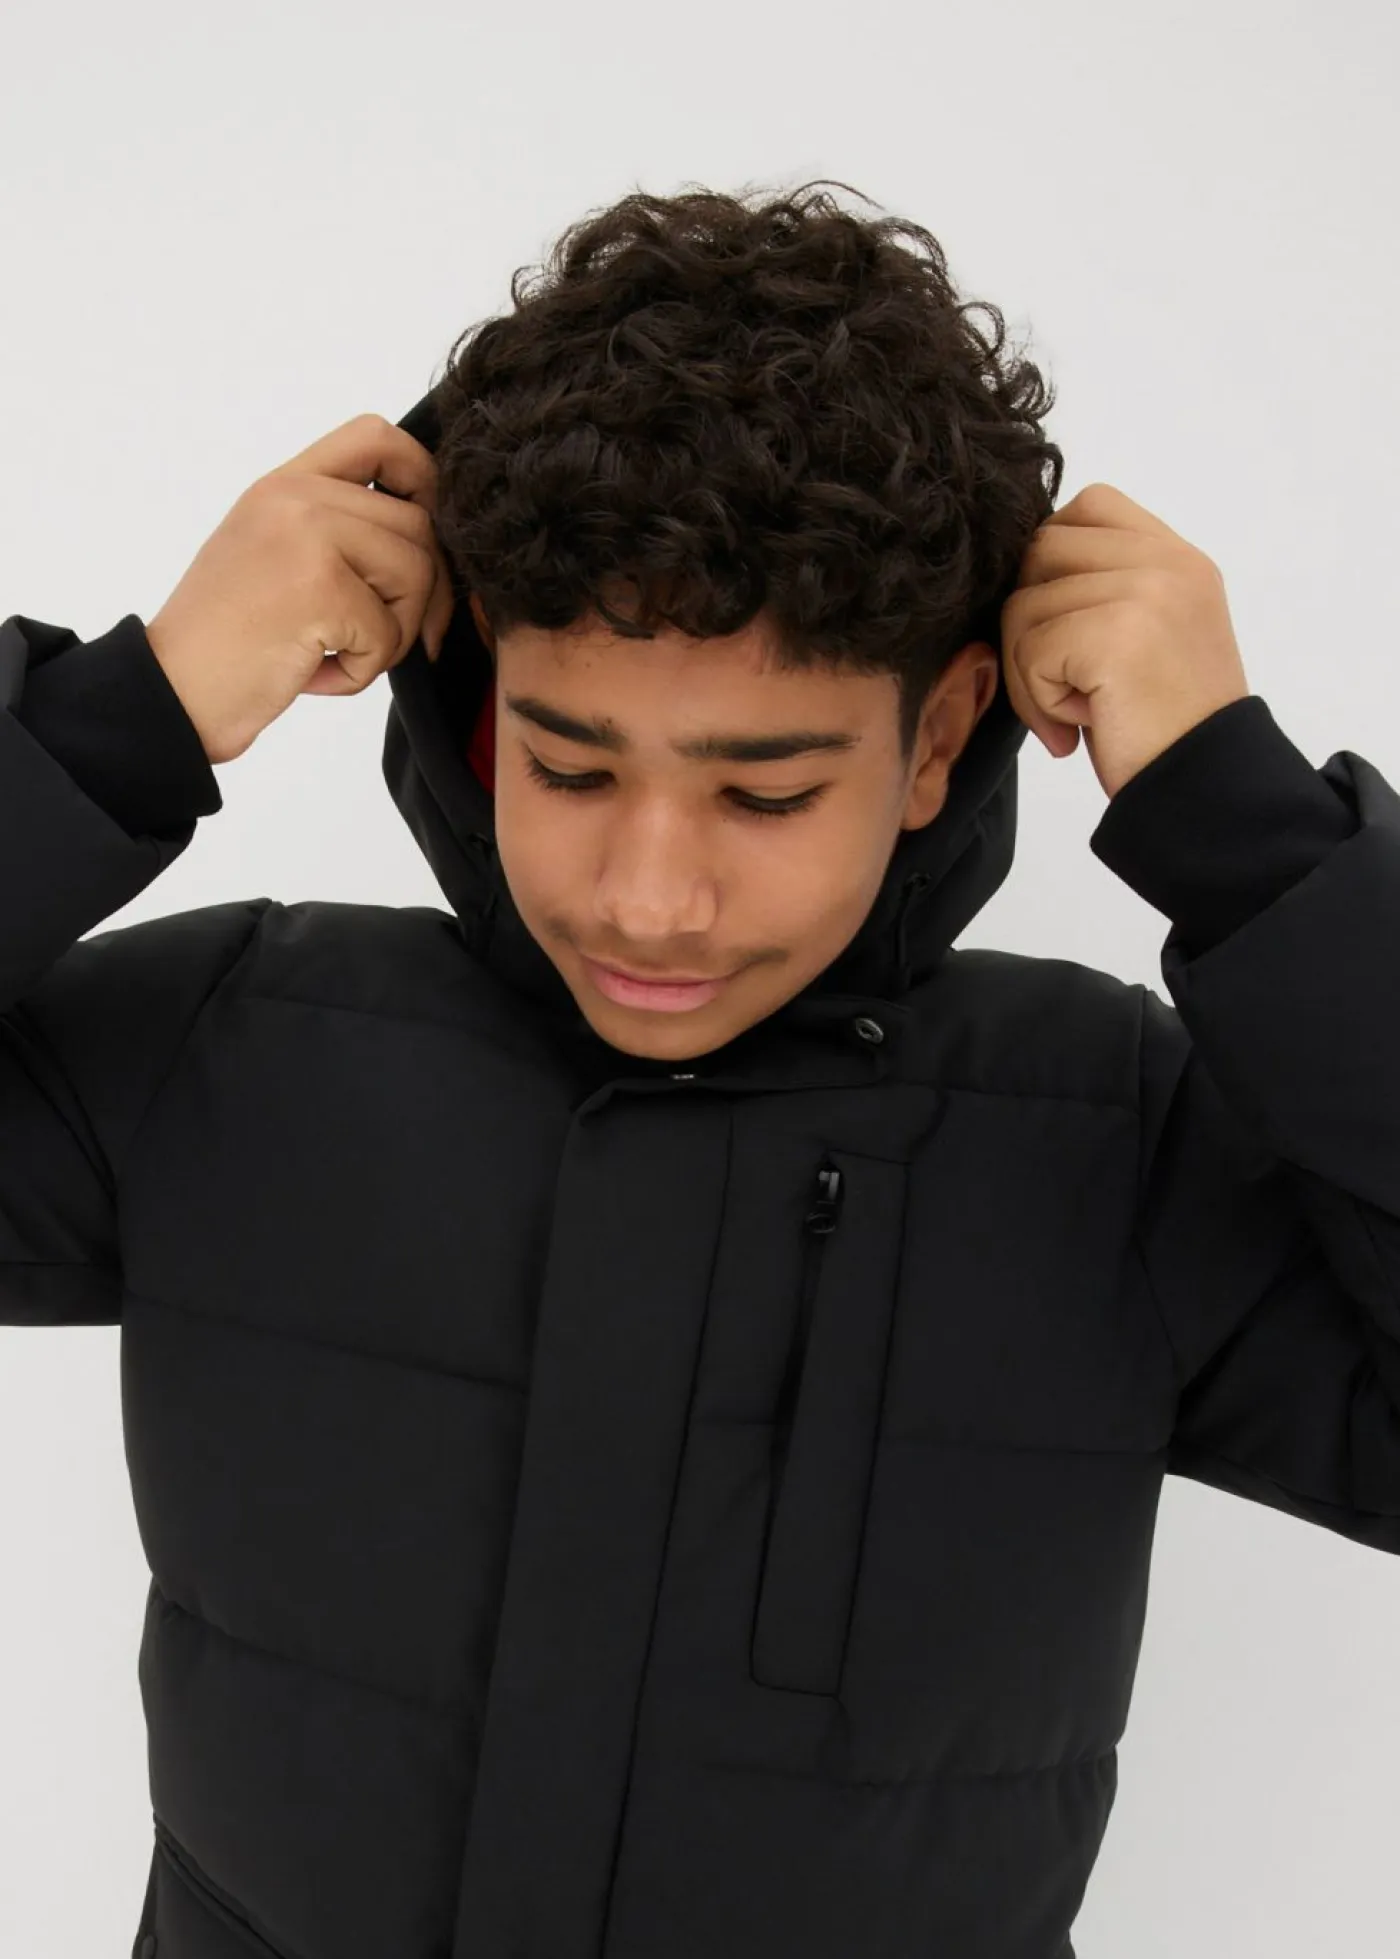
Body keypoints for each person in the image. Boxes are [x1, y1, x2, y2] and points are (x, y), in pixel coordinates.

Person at [2, 180, 1393, 1959]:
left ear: (936, 738)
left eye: (766, 791)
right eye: (572, 769)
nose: (649, 897)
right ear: (484, 713)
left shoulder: (1117, 1138)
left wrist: (1253, 835)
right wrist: (122, 719)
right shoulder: (228, 1046)